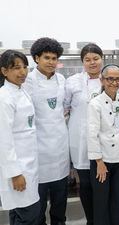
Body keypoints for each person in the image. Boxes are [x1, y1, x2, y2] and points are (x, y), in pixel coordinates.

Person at [23, 37, 70, 225]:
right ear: (36, 58)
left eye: (54, 58)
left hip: (60, 148)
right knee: (39, 204)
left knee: (60, 202)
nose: (51, 62)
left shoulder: (61, 79)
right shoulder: (27, 81)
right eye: (47, 58)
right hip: (38, 150)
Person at [64, 43, 104, 225]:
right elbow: (64, 109)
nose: (92, 62)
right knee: (86, 185)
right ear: (82, 62)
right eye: (87, 60)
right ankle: (91, 220)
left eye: (95, 58)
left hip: (103, 142)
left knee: (102, 185)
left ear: (101, 59)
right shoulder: (72, 82)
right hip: (79, 141)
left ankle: (104, 219)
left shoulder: (110, 79)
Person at [0, 50, 40, 225]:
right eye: (16, 68)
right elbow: (4, 139)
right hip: (18, 168)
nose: (22, 72)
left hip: (28, 163)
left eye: (25, 67)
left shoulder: (21, 91)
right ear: (4, 71)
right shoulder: (4, 97)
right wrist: (15, 173)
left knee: (19, 213)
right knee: (28, 214)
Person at [87, 64, 119, 225]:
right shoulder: (95, 104)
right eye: (110, 79)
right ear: (102, 80)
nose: (114, 82)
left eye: (117, 79)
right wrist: (99, 162)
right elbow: (92, 134)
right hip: (102, 159)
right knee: (101, 201)